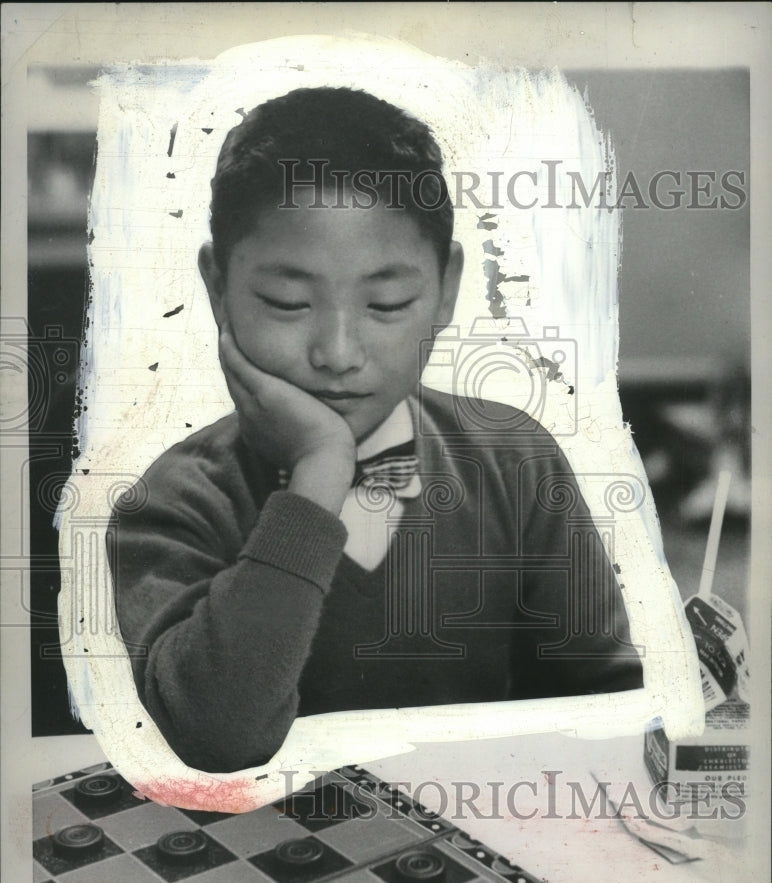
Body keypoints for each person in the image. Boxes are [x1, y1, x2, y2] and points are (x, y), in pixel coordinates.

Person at [108, 87, 642, 774]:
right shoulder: (173, 504)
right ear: (217, 287)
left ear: (446, 288)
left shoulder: (517, 462)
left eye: (387, 303)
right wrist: (319, 472)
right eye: (287, 302)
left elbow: (605, 706)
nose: (338, 351)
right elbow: (219, 737)